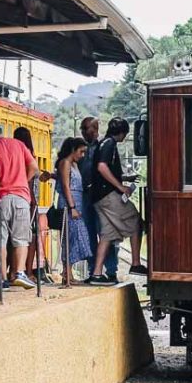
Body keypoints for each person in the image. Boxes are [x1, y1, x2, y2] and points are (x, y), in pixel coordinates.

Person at [88, 117, 148, 285]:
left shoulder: (103, 143)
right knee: (136, 221)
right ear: (122, 132)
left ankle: (97, 274)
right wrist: (121, 188)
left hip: (98, 198)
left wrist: (123, 179)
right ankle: (135, 263)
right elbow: (102, 167)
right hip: (108, 195)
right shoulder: (109, 144)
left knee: (107, 234)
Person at [0, 119, 39, 290]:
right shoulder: (19, 145)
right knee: (21, 238)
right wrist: (23, 180)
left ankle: (1, 278)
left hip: (0, 198)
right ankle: (20, 273)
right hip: (22, 197)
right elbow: (34, 168)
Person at [79, 116, 119, 281]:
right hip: (84, 196)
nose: (83, 132)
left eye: (85, 128)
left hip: (101, 196)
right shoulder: (78, 148)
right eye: (82, 129)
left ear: (94, 130)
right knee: (88, 235)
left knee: (106, 233)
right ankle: (93, 270)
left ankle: (111, 270)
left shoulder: (104, 147)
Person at [13, 126, 53, 282]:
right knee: (29, 237)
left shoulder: (18, 154)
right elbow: (29, 181)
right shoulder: (28, 154)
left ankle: (15, 271)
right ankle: (27, 271)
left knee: (18, 237)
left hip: (24, 198)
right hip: (29, 200)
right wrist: (33, 200)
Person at [54, 136, 92, 273]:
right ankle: (67, 272)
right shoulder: (65, 163)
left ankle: (68, 271)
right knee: (70, 238)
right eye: (81, 152)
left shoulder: (74, 165)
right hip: (69, 204)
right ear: (72, 150)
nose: (82, 155)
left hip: (77, 202)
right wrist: (72, 207)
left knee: (77, 237)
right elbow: (65, 186)